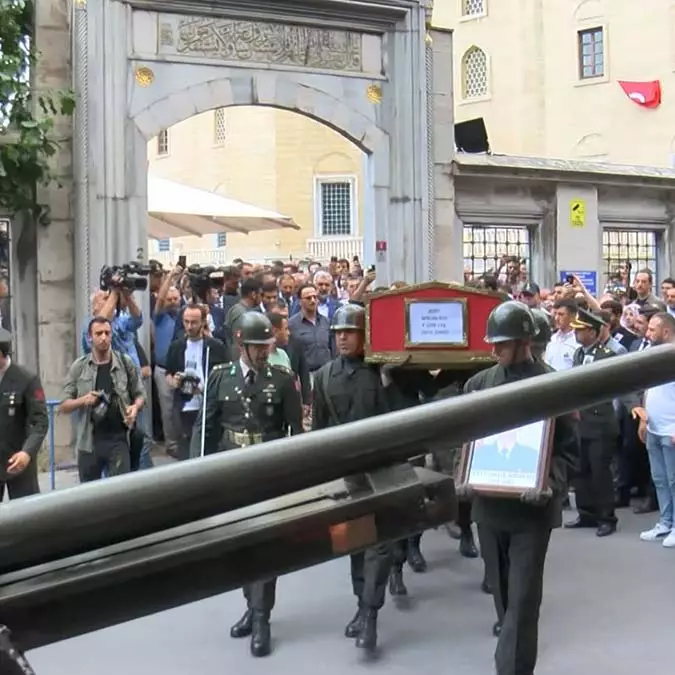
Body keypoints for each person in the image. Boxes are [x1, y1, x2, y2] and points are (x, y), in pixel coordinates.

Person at [458, 300, 578, 675]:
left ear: (525, 341)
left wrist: (549, 484)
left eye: (502, 344)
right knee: (504, 596)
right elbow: (464, 440)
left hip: (531, 512)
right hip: (489, 510)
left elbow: (568, 452)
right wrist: (461, 477)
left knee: (524, 601)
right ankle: (511, 653)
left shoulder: (553, 384)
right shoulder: (478, 385)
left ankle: (511, 669)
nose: (493, 351)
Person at [191, 312, 303, 657]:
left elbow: (295, 433)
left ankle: (261, 618)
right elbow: (204, 428)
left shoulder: (283, 380)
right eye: (257, 347)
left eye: (267, 346)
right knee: (239, 544)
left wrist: (296, 478)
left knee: (265, 545)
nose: (263, 353)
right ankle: (250, 605)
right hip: (232, 470)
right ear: (242, 345)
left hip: (267, 472)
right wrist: (197, 473)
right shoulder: (220, 377)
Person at [312, 303, 400, 651]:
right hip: (346, 474)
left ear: (364, 335)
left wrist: (391, 382)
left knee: (380, 544)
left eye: (349, 332)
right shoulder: (323, 376)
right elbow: (318, 431)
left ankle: (371, 612)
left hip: (380, 469)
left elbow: (400, 417)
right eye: (338, 333)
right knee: (355, 543)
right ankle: (361, 605)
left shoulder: (380, 372)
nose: (343, 338)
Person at [61, 317, 146, 482]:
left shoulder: (124, 363)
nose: (103, 337)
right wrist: (83, 400)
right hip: (89, 441)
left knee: (119, 493)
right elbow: (64, 405)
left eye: (107, 333)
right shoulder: (80, 367)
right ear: (90, 337)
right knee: (89, 497)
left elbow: (140, 394)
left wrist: (134, 408)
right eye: (98, 333)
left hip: (119, 438)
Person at [0, 327, 48, 500]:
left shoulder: (26, 379)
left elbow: (39, 421)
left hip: (19, 460)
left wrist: (27, 452)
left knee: (27, 519)